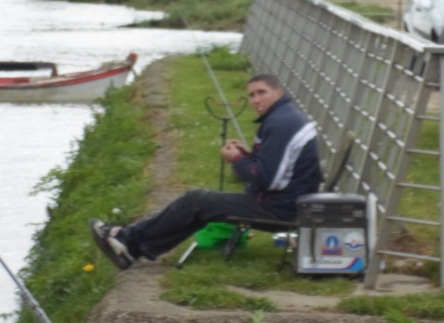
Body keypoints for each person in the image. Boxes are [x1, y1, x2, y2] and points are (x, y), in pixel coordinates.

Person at [89, 73, 321, 270]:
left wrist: (237, 159)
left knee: (197, 201)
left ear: (278, 93)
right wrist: (248, 156)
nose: (256, 100)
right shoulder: (284, 118)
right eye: (251, 95)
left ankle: (128, 241)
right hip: (287, 203)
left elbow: (267, 180)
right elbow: (278, 168)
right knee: (199, 206)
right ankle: (131, 246)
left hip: (280, 209)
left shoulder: (281, 124)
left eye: (262, 93)